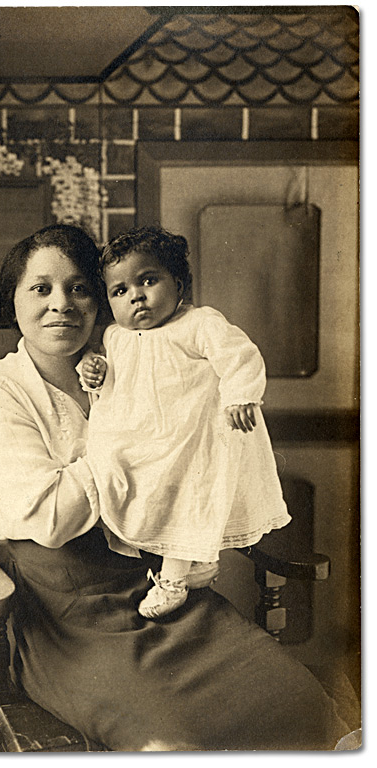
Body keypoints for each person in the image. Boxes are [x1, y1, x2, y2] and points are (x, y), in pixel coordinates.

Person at [0, 223, 350, 751]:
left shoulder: (132, 364)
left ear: (101, 301)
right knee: (172, 740)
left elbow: (195, 454)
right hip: (68, 619)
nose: (62, 305)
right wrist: (146, 453)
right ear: (13, 302)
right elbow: (52, 516)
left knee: (301, 704)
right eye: (41, 289)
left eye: (80, 288)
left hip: (162, 592)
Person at [79, 226, 291, 619]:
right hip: (145, 441)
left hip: (190, 439)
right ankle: (196, 565)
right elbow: (114, 383)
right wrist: (95, 370)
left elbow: (239, 356)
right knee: (134, 488)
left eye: (148, 280)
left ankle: (174, 578)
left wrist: (240, 395)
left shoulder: (198, 324)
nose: (136, 296)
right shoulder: (115, 337)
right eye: (120, 291)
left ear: (178, 284)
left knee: (188, 496)